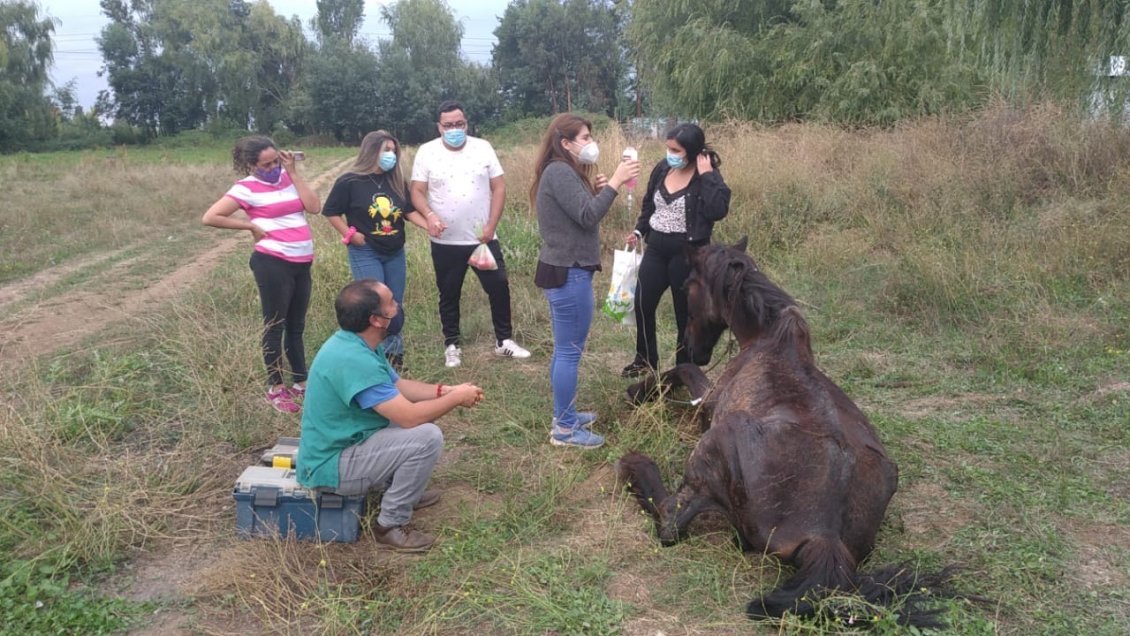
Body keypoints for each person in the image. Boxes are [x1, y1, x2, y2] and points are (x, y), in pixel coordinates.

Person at [297, 279, 484, 552]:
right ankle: (389, 525)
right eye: (391, 304)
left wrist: (446, 390)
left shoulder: (358, 343)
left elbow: (398, 386)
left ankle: (404, 493)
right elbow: (409, 417)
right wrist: (455, 399)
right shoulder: (354, 359)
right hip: (330, 466)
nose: (397, 307)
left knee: (422, 422)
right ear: (377, 320)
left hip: (347, 444)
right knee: (426, 436)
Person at [530, 113, 641, 448]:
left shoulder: (566, 171)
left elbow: (579, 213)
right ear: (565, 143)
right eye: (585, 137)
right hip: (569, 270)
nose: (591, 143)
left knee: (566, 351)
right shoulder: (559, 170)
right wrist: (614, 184)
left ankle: (565, 413)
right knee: (569, 352)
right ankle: (564, 429)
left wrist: (595, 190)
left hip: (567, 268)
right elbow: (588, 215)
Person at [203, 135, 321, 413]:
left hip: (301, 261)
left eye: (275, 162)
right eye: (265, 165)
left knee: (297, 325)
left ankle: (301, 382)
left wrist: (292, 172)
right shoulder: (246, 188)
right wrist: (249, 228)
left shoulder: (288, 177)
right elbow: (211, 217)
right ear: (250, 164)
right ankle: (276, 387)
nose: (272, 169)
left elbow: (314, 207)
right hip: (272, 262)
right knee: (275, 324)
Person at [410, 100, 531, 368]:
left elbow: (498, 187)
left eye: (460, 124)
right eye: (449, 125)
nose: (455, 129)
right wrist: (430, 216)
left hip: (482, 239)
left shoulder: (482, 148)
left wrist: (491, 225)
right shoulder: (427, 152)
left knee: (499, 286)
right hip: (446, 241)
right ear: (439, 127)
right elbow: (417, 191)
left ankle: (504, 341)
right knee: (449, 292)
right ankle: (452, 344)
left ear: (466, 123)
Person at [322, 130, 446, 372]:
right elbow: (331, 212)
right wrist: (349, 234)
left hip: (395, 251)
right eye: (385, 150)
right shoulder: (350, 181)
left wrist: (428, 225)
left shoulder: (397, 181)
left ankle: (394, 357)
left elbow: (408, 211)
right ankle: (371, 357)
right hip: (366, 251)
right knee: (375, 304)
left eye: (393, 151)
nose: (391, 155)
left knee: (394, 303)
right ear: (371, 151)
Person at [622, 123, 731, 377]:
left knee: (685, 313)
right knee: (642, 302)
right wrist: (639, 231)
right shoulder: (662, 168)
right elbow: (650, 203)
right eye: (668, 147)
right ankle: (646, 358)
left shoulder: (706, 175)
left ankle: (684, 369)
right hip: (656, 247)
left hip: (688, 253)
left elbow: (718, 211)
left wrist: (708, 177)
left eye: (675, 149)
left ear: (692, 152)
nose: (669, 153)